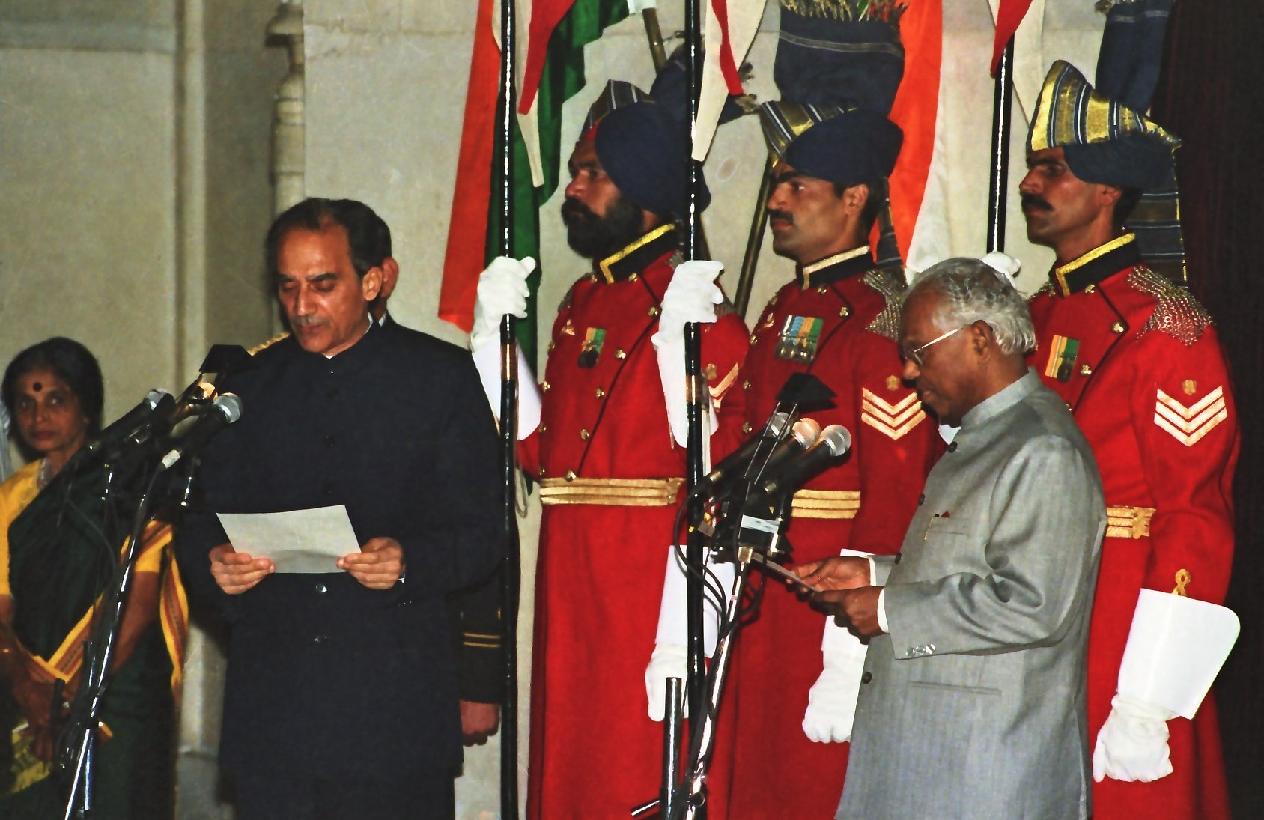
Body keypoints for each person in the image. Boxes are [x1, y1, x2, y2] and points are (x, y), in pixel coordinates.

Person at [471, 81, 750, 817]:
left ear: (647, 190)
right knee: (569, 758)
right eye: (576, 172)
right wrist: (492, 349)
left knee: (631, 760)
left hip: (644, 578)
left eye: (593, 173)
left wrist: (684, 619)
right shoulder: (581, 302)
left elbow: (723, 471)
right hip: (570, 572)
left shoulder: (698, 310)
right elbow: (542, 455)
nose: (573, 188)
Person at [173, 198, 503, 819]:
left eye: (322, 285)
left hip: (393, 713)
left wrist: (409, 562)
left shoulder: (440, 379)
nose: (301, 306)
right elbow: (198, 520)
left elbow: (484, 533)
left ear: (374, 280)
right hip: (277, 712)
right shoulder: (247, 386)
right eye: (287, 286)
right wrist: (216, 563)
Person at [800, 257, 1105, 819]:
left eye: (919, 351)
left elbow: (1033, 605)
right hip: (941, 756)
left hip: (987, 766)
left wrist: (888, 609)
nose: (908, 372)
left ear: (980, 339)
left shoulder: (1042, 448)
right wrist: (875, 573)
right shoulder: (985, 435)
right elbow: (969, 563)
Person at [1020, 61, 1240, 819]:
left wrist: (1148, 694)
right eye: (1032, 168)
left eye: (1053, 169)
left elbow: (1194, 516)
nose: (1029, 184)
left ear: (1108, 189)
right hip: (1029, 607)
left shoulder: (1169, 326)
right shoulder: (1030, 315)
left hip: (1119, 617)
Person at [715, 93, 939, 820]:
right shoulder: (783, 304)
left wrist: (846, 652)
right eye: (777, 184)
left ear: (854, 198)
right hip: (764, 578)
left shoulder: (884, 314)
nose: (776, 201)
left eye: (797, 186)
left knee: (811, 785)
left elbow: (897, 489)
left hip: (828, 594)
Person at [0, 337, 183, 819]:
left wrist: (74, 700)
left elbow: (137, 605)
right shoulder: (12, 498)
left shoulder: (130, 486)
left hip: (114, 693)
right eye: (25, 403)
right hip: (30, 694)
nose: (38, 416)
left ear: (86, 408)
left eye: (55, 400)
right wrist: (26, 689)